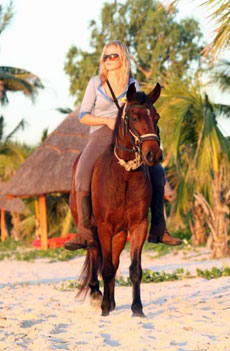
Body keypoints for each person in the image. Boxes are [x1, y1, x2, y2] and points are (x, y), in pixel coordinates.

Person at [64, 40, 181, 251]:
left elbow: (140, 112)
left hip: (127, 136)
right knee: (82, 171)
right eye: (105, 56)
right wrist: (106, 121)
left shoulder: (132, 84)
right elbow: (83, 116)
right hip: (101, 134)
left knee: (157, 172)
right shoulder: (95, 83)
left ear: (123, 58)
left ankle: (159, 228)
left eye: (113, 56)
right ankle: (83, 231)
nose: (108, 60)